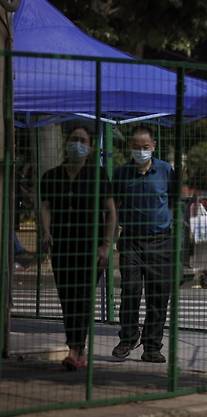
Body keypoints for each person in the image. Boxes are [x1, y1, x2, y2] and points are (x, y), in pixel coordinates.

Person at [40, 126, 116, 370]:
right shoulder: (51, 176)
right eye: (74, 139)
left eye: (83, 140)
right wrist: (46, 231)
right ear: (66, 143)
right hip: (62, 247)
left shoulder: (98, 175)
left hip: (90, 249)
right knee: (67, 297)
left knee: (83, 297)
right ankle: (76, 348)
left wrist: (106, 244)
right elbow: (45, 207)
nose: (78, 144)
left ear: (90, 147)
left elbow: (111, 211)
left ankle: (75, 350)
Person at [112, 125, 174, 363]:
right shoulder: (122, 173)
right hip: (131, 241)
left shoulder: (165, 170)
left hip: (161, 240)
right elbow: (113, 206)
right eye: (136, 147)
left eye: (145, 147)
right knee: (131, 289)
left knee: (158, 295)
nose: (141, 151)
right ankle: (128, 337)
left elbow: (175, 200)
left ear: (153, 146)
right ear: (130, 147)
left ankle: (152, 346)